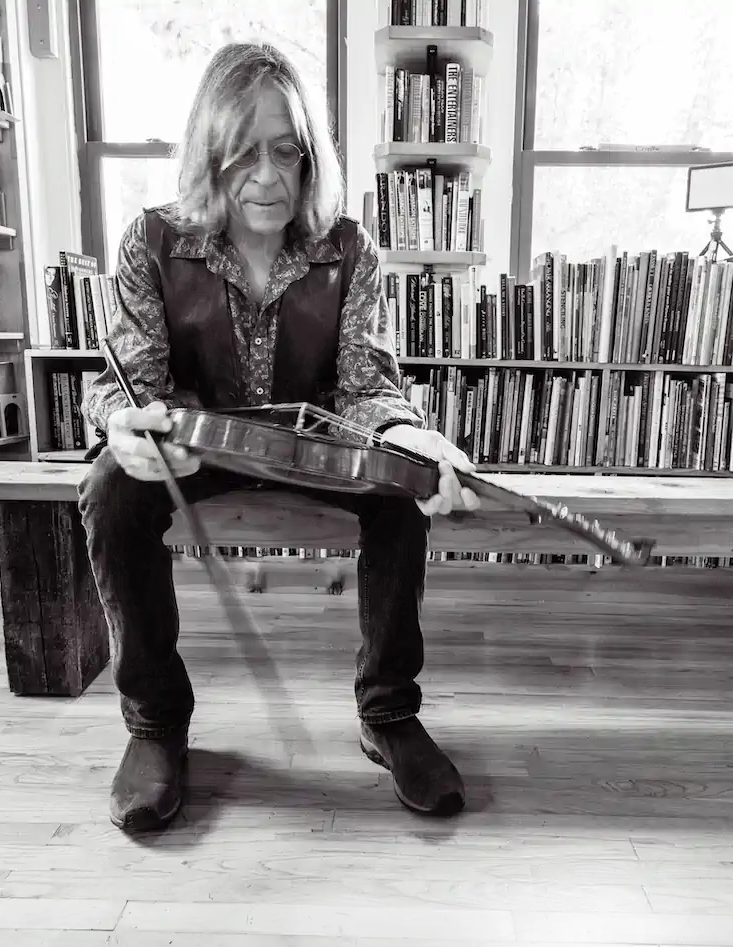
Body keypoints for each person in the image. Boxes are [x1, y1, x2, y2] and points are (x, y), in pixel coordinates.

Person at [77, 41, 480, 832]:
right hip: (198, 448)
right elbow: (127, 384)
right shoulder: (151, 242)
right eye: (242, 153)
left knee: (401, 480)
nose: (266, 175)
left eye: (285, 151)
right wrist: (122, 425)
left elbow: (368, 384)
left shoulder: (349, 247)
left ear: (308, 155)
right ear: (210, 154)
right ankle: (155, 721)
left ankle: (388, 710)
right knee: (107, 489)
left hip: (314, 446)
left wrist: (410, 435)